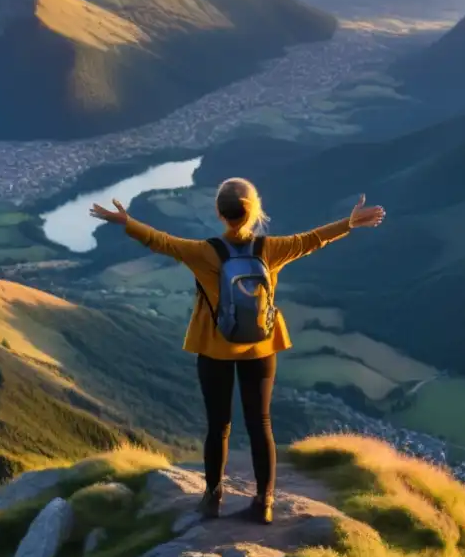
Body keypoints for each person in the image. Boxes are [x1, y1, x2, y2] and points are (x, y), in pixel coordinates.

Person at [89, 177, 385, 524]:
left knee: (219, 426)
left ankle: (213, 498)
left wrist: (127, 223)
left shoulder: (203, 251)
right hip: (260, 347)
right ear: (255, 210)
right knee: (260, 424)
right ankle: (264, 503)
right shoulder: (270, 249)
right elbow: (312, 240)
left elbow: (162, 242)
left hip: (214, 347)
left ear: (219, 212)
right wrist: (348, 223)